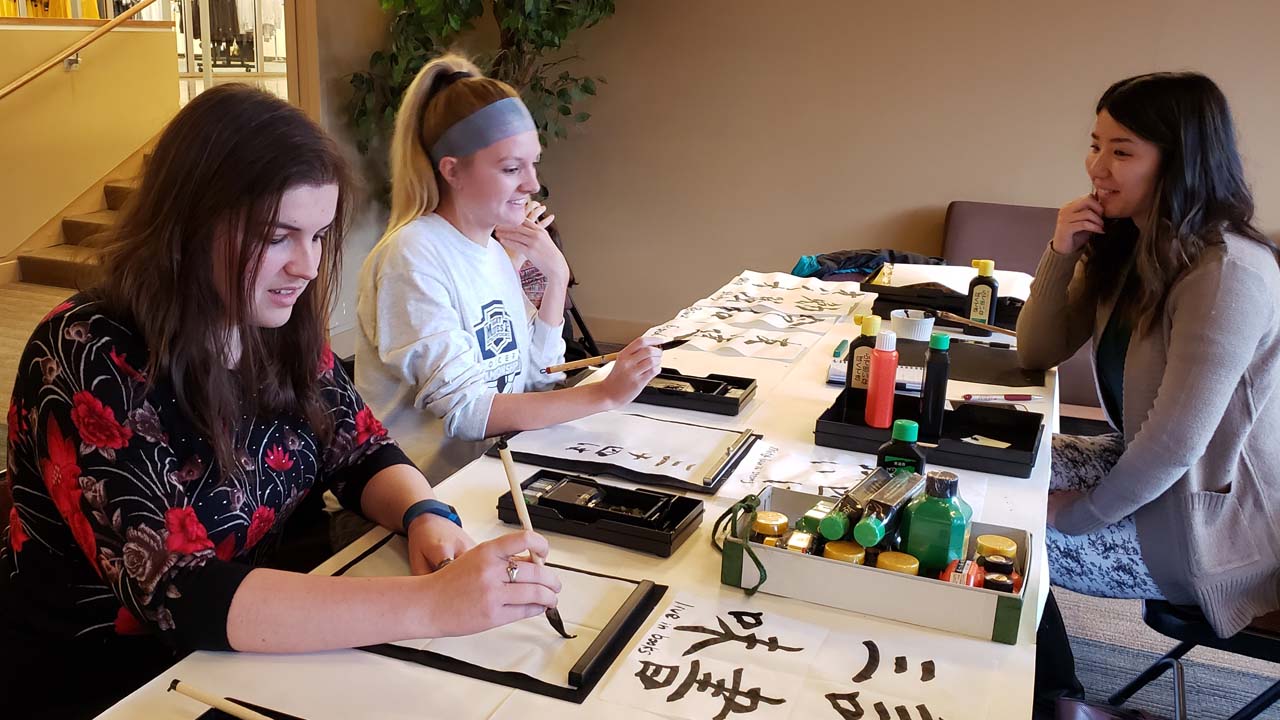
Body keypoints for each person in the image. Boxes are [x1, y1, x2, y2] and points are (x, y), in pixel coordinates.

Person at [0, 85, 560, 719]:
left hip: (250, 652)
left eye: (318, 236)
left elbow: (359, 449)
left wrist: (426, 515)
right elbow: (180, 592)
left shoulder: (272, 321)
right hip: (113, 683)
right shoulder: (88, 351)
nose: (307, 265)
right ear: (189, 224)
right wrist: (433, 604)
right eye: (277, 237)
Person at [1019, 72, 1280, 637]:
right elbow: (1036, 350)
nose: (1097, 167)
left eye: (1122, 151)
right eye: (1095, 146)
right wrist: (1061, 251)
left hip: (1207, 526)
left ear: (1178, 160)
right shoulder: (1127, 243)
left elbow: (1175, 443)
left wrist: (1077, 512)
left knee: (996, 532)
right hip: (1140, 469)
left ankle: (1050, 692)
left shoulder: (1228, 272)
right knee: (989, 469)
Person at [354, 54, 663, 483]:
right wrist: (605, 395)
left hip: (487, 476)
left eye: (533, 163)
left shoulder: (493, 251)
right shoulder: (412, 255)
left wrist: (555, 276)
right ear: (453, 171)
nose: (532, 184)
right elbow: (467, 412)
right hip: (421, 501)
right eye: (511, 168)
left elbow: (534, 380)